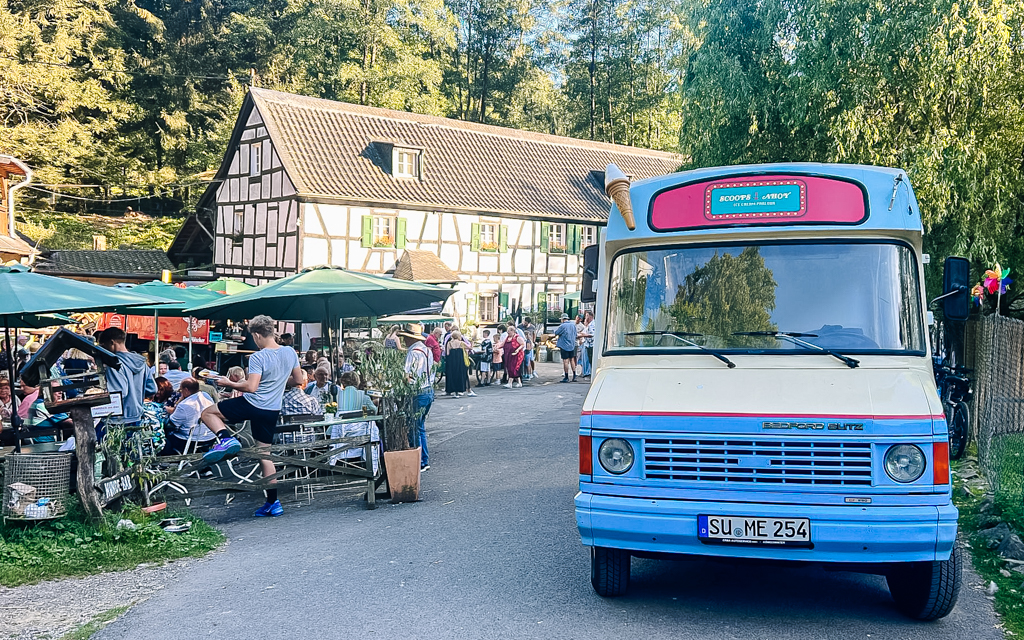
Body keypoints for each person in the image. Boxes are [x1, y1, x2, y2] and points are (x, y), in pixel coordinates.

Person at [200, 315, 302, 518]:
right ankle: (273, 502)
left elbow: (251, 387)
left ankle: (226, 439)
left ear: (256, 335)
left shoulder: (258, 357)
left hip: (254, 403)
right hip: (272, 409)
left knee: (208, 413)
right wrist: (278, 380)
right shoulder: (290, 352)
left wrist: (228, 383)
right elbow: (297, 380)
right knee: (265, 455)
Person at [97, 327, 157, 425]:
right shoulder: (142, 363)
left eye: (104, 345)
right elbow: (152, 389)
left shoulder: (114, 365)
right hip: (137, 417)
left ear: (112, 343)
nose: (103, 349)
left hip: (117, 420)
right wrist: (136, 394)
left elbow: (119, 393)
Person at [401, 323, 434, 471]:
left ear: (410, 338)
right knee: (420, 427)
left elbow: (406, 375)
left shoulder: (413, 352)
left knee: (414, 427)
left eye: (405, 338)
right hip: (428, 390)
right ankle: (424, 460)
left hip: (418, 392)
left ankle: (418, 461)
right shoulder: (427, 350)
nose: (404, 341)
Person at [162, 378, 216, 455]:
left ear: (186, 390)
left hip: (192, 440)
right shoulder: (205, 395)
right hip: (211, 437)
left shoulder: (184, 405)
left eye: (181, 390)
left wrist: (179, 401)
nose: (180, 393)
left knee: (164, 437)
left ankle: (170, 458)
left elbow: (171, 424)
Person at [553, 313, 578, 383]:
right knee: (572, 360)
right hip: (572, 345)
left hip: (564, 345)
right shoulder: (573, 325)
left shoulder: (562, 326)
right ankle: (574, 375)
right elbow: (576, 335)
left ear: (563, 319)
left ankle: (566, 377)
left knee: (565, 361)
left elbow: (556, 333)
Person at [444, 330, 470, 397]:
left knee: (452, 375)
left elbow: (447, 353)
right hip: (460, 361)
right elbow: (470, 347)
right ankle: (459, 390)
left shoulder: (449, 343)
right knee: (459, 374)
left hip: (451, 361)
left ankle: (452, 390)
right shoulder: (461, 343)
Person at [581, 310, 596, 378]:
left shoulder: (592, 325)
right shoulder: (589, 324)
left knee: (590, 359)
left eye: (587, 316)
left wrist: (583, 335)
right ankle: (587, 372)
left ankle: (589, 372)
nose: (586, 318)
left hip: (590, 345)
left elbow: (592, 335)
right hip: (588, 344)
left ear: (591, 316)